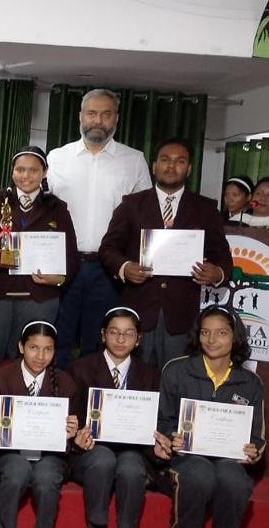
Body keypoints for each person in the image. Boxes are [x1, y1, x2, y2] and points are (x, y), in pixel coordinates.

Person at [99, 137, 233, 370]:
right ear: (154, 166)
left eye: (180, 161)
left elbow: (222, 253)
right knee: (135, 378)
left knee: (175, 378)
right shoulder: (131, 204)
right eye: (165, 160)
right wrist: (124, 267)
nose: (171, 166)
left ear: (189, 169)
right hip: (139, 310)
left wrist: (218, 273)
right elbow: (108, 248)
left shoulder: (205, 208)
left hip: (181, 314)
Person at [46, 88, 152, 367]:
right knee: (58, 339)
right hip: (63, 265)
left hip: (109, 269)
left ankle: (92, 405)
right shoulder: (57, 158)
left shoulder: (134, 160)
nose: (98, 120)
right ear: (80, 117)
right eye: (92, 113)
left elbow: (145, 217)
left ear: (116, 118)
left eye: (106, 114)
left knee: (101, 342)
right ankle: (58, 402)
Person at [153, 305, 265, 528]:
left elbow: (257, 436)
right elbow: (162, 419)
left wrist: (253, 451)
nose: (212, 339)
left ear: (236, 337)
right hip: (184, 457)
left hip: (228, 459)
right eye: (205, 332)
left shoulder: (250, 382)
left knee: (234, 480)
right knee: (199, 474)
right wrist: (170, 435)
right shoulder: (176, 371)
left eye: (221, 333)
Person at [0, 146, 79, 373]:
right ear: (12, 172)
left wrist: (57, 279)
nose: (26, 175)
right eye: (20, 170)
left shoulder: (57, 209)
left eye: (33, 170)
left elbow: (71, 258)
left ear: (44, 173)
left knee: (34, 366)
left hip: (39, 299)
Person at [68, 307, 160, 528]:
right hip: (91, 452)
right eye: (114, 332)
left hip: (134, 452)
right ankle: (96, 524)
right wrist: (75, 436)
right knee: (103, 458)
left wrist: (158, 444)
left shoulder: (151, 376)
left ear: (138, 339)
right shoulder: (79, 369)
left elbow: (154, 423)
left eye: (129, 333)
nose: (121, 339)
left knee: (131, 466)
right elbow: (71, 415)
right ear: (102, 335)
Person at [0, 321, 78, 528]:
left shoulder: (66, 383)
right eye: (33, 348)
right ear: (21, 347)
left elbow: (73, 438)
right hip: (8, 455)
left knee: (46, 477)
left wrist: (71, 432)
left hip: (50, 457)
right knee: (18, 470)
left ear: (55, 352)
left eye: (48, 349)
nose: (40, 356)